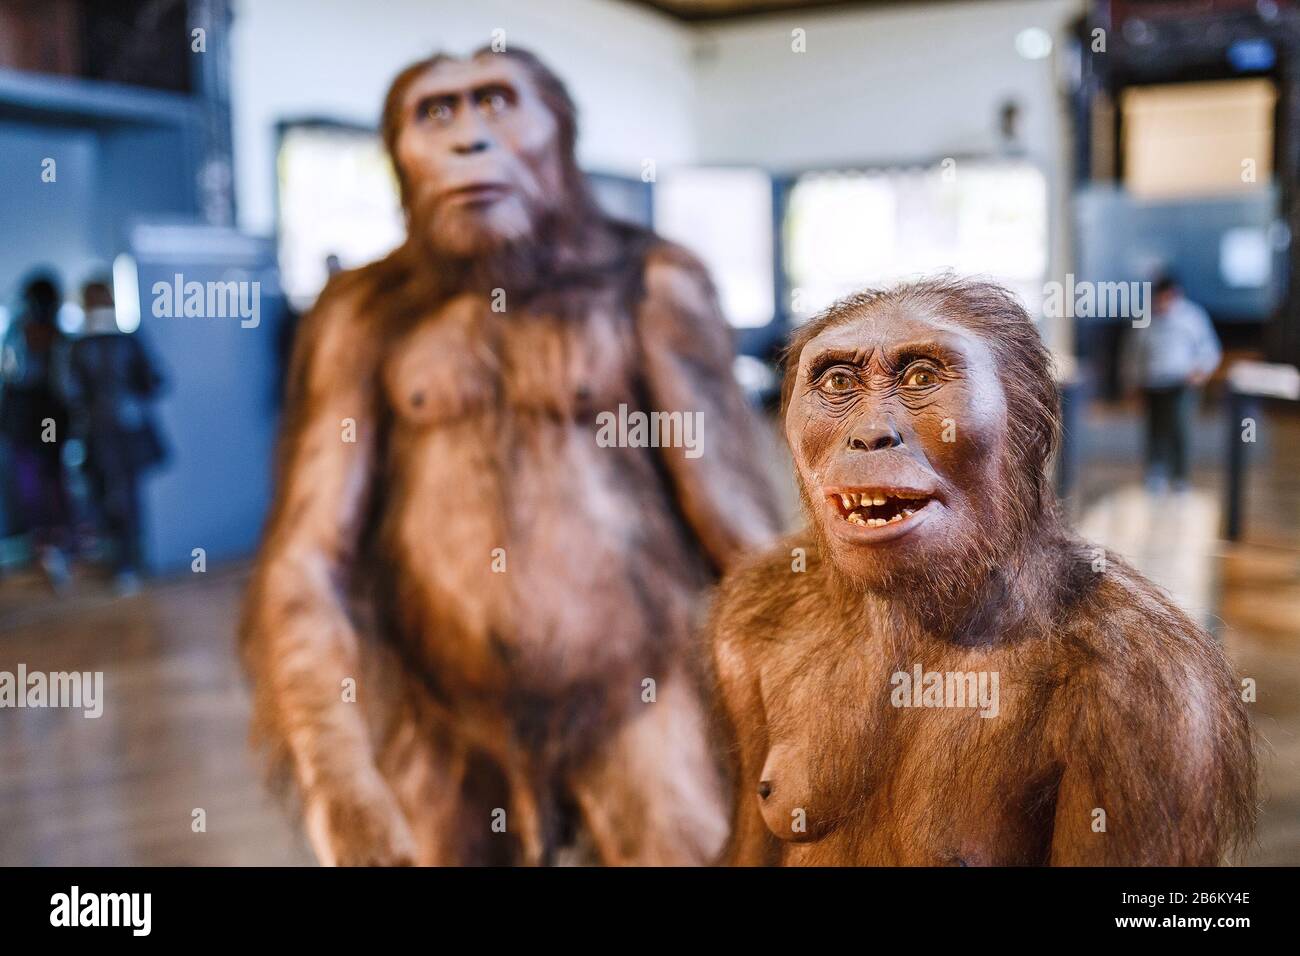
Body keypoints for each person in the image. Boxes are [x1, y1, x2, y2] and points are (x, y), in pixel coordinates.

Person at [66, 280, 167, 593]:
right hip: (120, 430)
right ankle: (126, 562)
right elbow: (154, 381)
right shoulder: (122, 340)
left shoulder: (83, 346)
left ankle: (126, 562)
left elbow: (72, 394)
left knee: (117, 494)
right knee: (121, 495)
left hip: (106, 432)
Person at [0, 272, 72, 588]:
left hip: (43, 418)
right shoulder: (23, 331)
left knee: (45, 476)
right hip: (35, 417)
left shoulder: (48, 333)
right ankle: (48, 541)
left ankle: (53, 540)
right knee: (40, 477)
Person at [1128, 274, 1221, 492]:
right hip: (1152, 384)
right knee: (1154, 431)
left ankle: (1180, 476)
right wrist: (1132, 382)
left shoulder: (1192, 317)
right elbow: (1133, 354)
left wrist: (1200, 372)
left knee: (1179, 430)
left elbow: (1210, 351)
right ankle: (1155, 473)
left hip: (1181, 384)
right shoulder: (1145, 318)